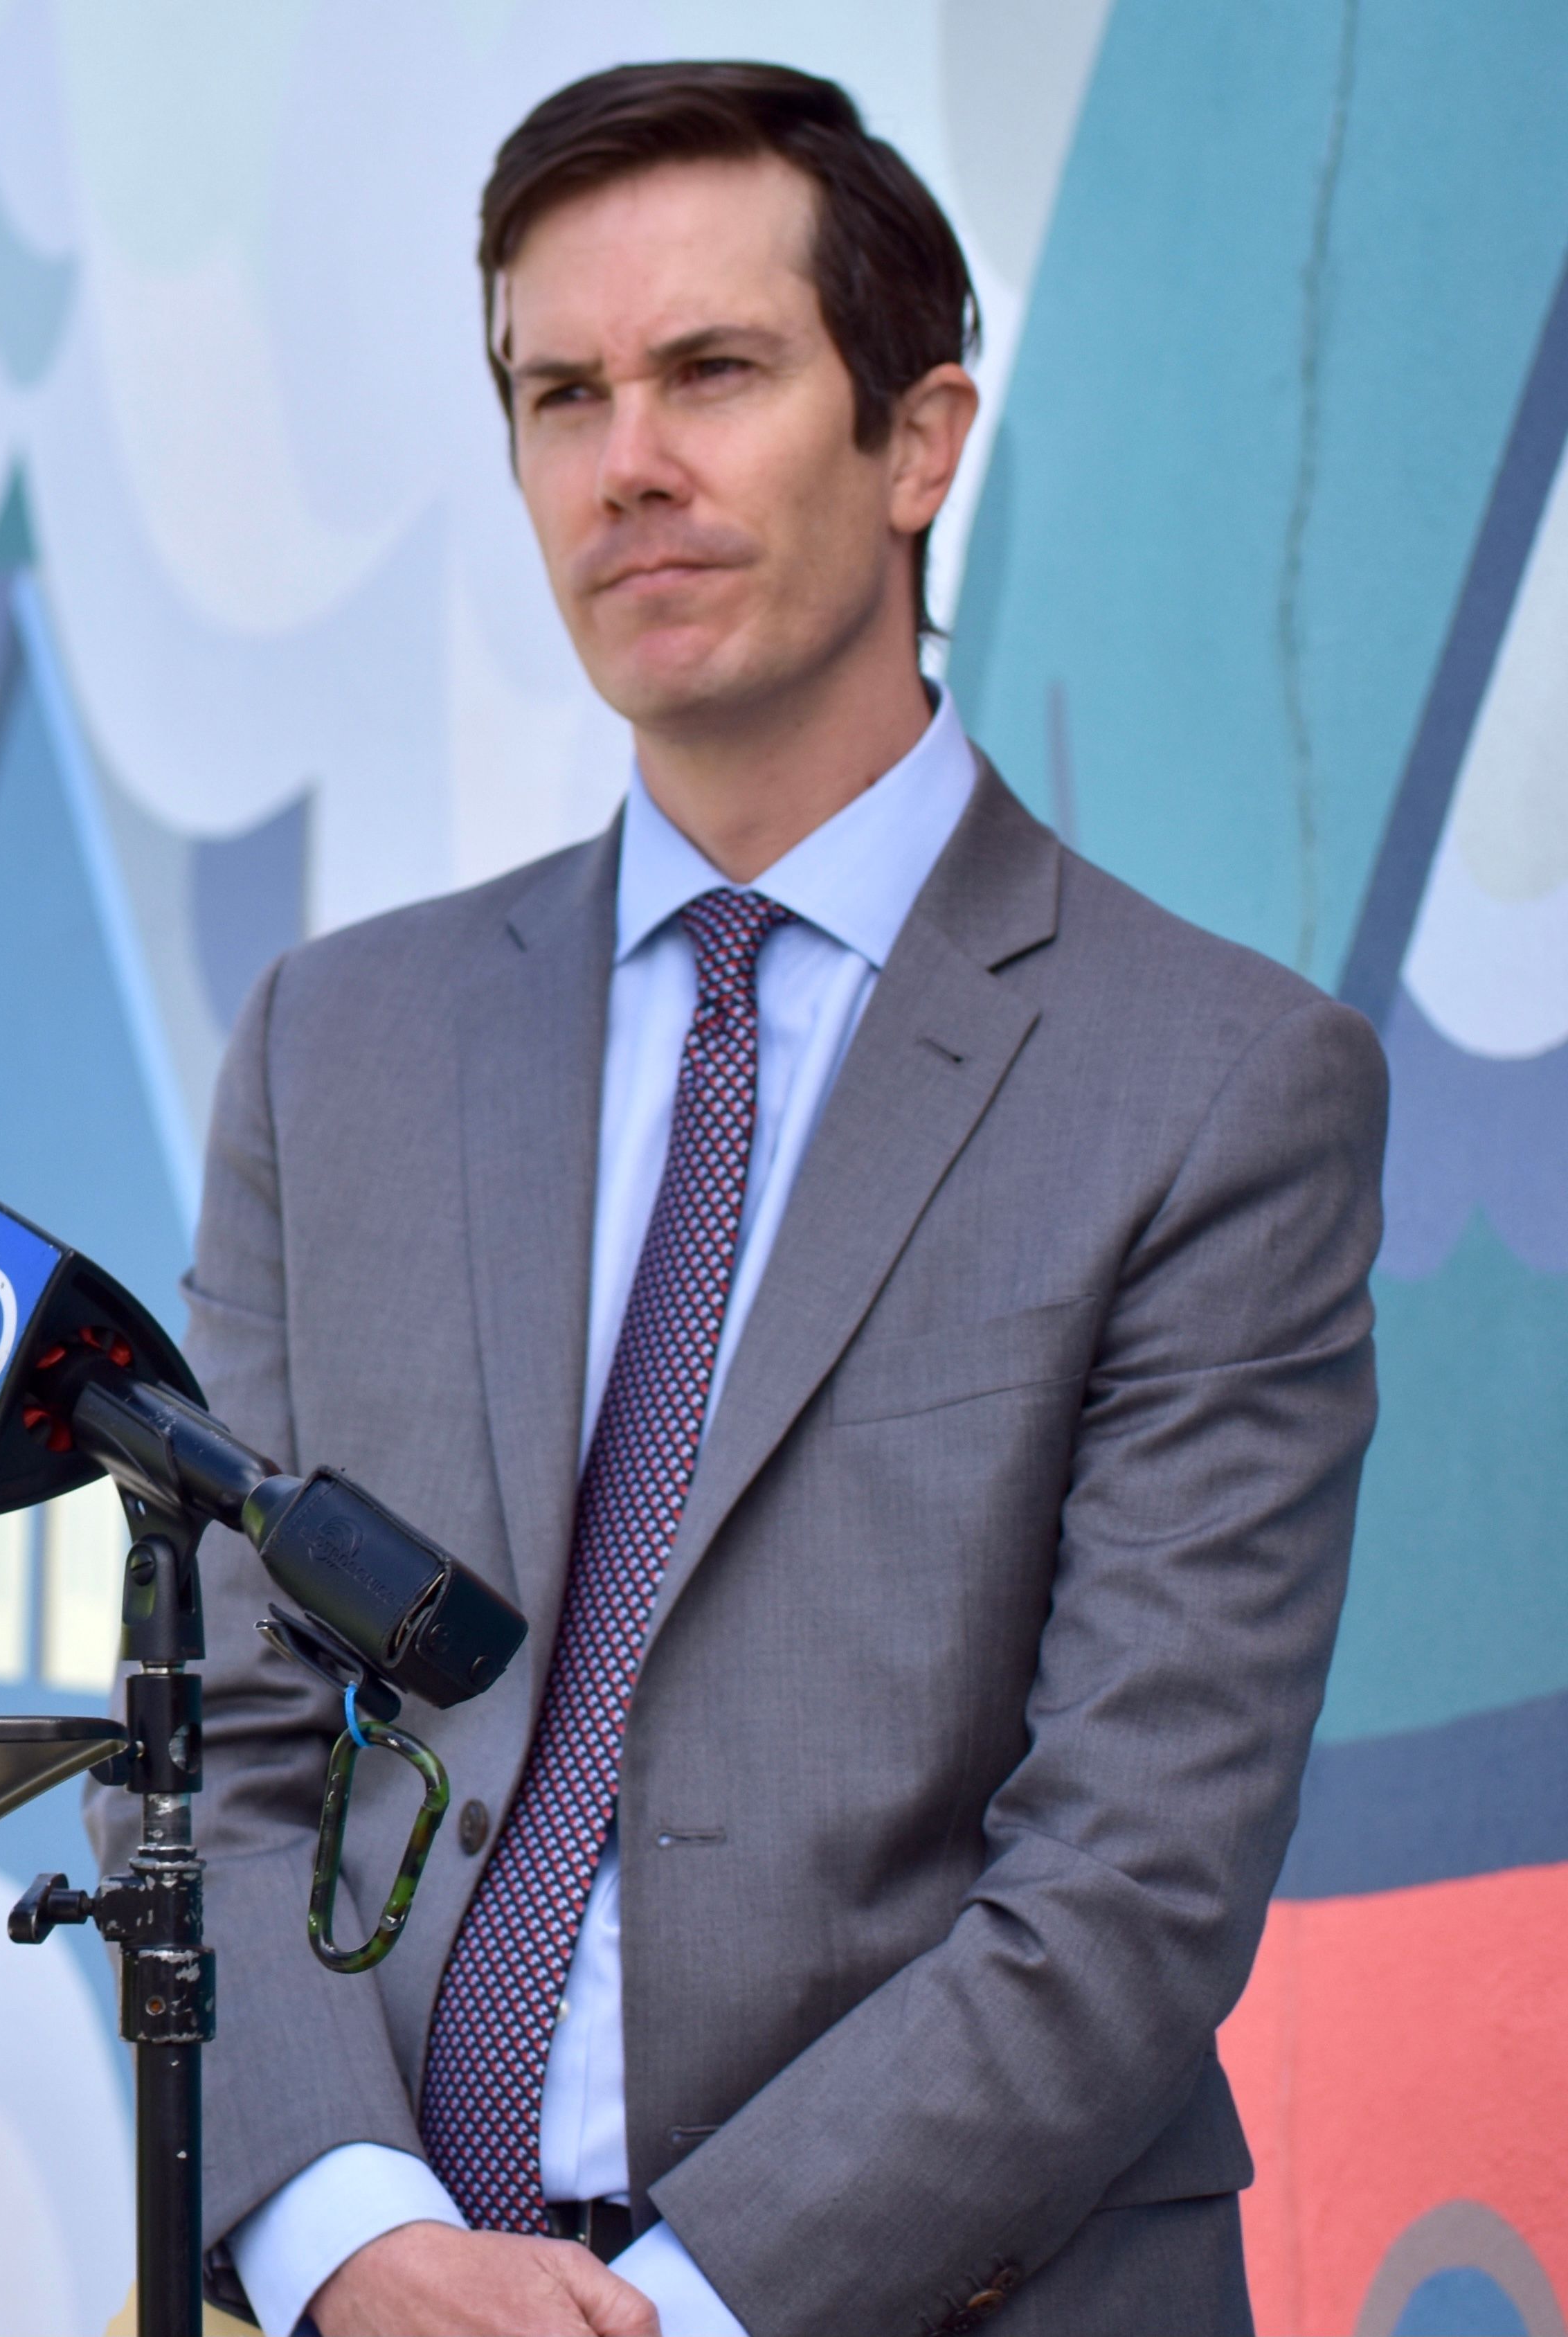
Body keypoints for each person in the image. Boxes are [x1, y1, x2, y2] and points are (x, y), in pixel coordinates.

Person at [172, 62, 1381, 2337]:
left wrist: (676, 2310)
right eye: (561, 394)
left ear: (920, 441)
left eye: (713, 372)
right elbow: (230, 1754)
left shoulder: (1216, 1095)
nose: (627, 461)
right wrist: (351, 2242)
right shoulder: (339, 1053)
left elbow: (1127, 1880)